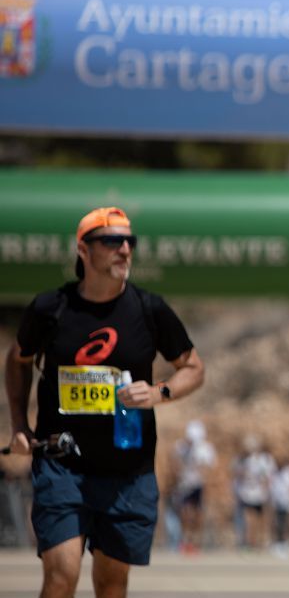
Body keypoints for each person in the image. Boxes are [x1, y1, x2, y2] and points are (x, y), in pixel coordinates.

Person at [3, 206, 204, 598]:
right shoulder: (51, 308)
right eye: (112, 241)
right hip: (63, 467)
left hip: (128, 471)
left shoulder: (150, 309)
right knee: (62, 574)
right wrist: (19, 425)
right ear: (83, 250)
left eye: (130, 241)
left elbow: (194, 368)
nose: (125, 250)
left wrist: (159, 392)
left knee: (112, 584)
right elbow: (18, 358)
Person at [172, 419, 216, 554]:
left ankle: (196, 542)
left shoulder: (206, 449)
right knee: (184, 513)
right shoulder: (180, 447)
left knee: (197, 514)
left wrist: (201, 473)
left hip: (198, 485)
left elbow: (210, 468)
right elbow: (174, 463)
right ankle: (185, 540)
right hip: (184, 485)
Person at [232, 434, 275, 550]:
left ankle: (259, 542)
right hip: (245, 493)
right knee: (248, 519)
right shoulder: (240, 460)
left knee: (259, 520)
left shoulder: (263, 460)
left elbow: (267, 477)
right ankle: (248, 543)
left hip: (259, 494)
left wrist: (266, 491)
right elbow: (236, 475)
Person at [269, 457, 289, 558]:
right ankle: (278, 542)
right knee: (278, 523)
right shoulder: (275, 473)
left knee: (287, 523)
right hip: (277, 502)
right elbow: (272, 487)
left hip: (288, 502)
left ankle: (286, 542)